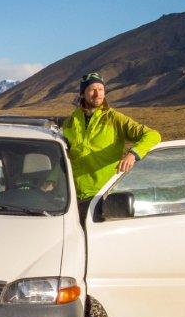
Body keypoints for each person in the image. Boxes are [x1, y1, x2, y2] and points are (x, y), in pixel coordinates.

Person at [62, 72, 161, 220]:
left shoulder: (114, 118)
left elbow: (153, 135)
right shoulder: (70, 121)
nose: (97, 94)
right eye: (92, 89)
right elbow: (64, 154)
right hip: (71, 196)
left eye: (101, 89)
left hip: (102, 196)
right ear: (83, 94)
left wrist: (133, 154)